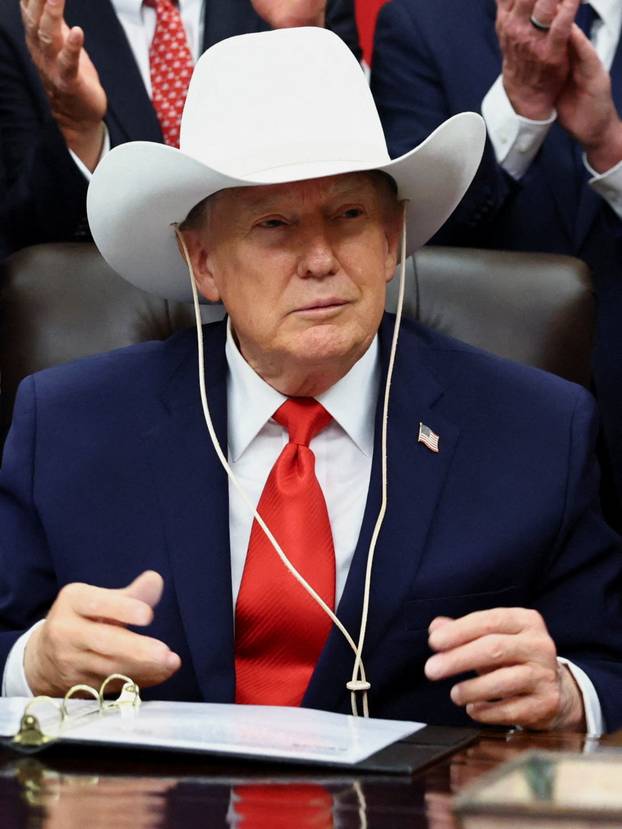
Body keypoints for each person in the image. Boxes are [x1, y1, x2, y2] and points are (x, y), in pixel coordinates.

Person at [1, 26, 622, 735]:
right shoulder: (69, 424)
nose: (321, 258)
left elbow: (607, 665)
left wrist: (568, 692)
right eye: (274, 224)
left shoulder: (540, 430)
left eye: (350, 216)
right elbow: (8, 640)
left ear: (391, 239)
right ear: (202, 262)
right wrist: (33, 663)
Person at [370, 0, 622, 527]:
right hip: (490, 418)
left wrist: (609, 148)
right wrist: (519, 108)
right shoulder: (421, 23)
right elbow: (402, 233)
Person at [0, 0, 359, 256]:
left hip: (284, 275)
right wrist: (78, 130)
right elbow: (25, 235)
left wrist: (302, 40)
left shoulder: (302, 9)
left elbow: (365, 183)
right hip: (112, 314)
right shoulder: (28, 22)